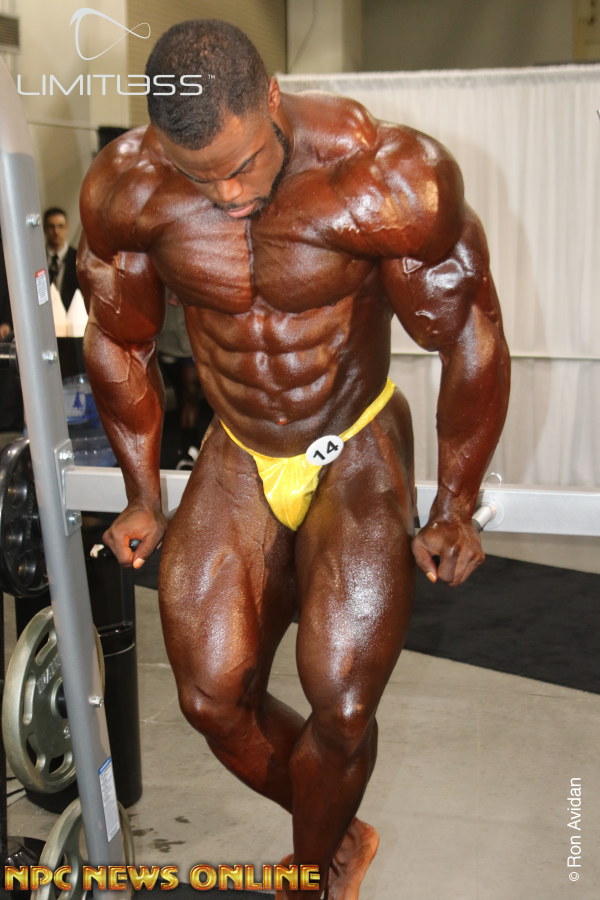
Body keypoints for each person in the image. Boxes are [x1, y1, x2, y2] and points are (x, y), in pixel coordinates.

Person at [78, 19, 510, 899]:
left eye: (243, 166)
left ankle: (309, 876)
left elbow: (469, 332)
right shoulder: (131, 188)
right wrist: (141, 495)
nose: (230, 195)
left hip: (353, 439)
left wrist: (457, 504)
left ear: (271, 97)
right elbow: (119, 341)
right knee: (209, 697)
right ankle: (337, 839)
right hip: (238, 444)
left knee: (341, 703)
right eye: (202, 176)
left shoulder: (385, 174)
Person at [43, 207, 80, 309]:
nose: (56, 231)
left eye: (60, 226)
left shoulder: (78, 259)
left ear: (67, 228)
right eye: (51, 226)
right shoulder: (36, 259)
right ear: (45, 228)